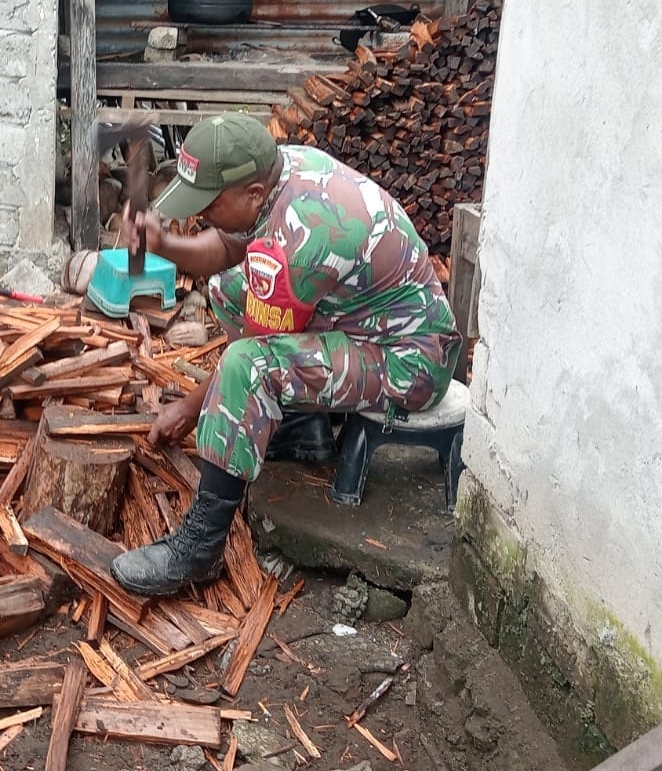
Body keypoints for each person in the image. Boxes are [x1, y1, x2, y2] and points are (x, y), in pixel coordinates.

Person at [110, 113, 462, 596]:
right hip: (360, 321)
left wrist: (189, 411)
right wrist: (163, 244)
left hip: (408, 359)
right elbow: (229, 248)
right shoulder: (281, 171)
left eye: (209, 203)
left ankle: (198, 549)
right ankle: (302, 428)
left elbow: (255, 351)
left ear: (253, 193)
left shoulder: (306, 238)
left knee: (248, 366)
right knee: (230, 289)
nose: (201, 214)